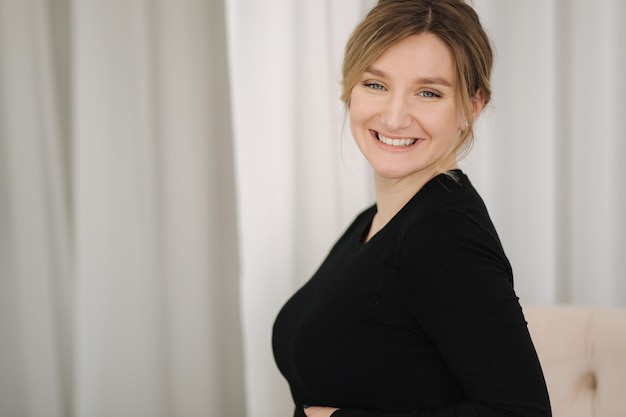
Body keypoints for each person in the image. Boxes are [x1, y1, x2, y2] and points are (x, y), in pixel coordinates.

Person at [272, 0, 552, 416]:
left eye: (428, 92)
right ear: (350, 88)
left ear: (471, 108)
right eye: (376, 85)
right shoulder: (377, 221)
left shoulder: (444, 233)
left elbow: (521, 413)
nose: (395, 116)